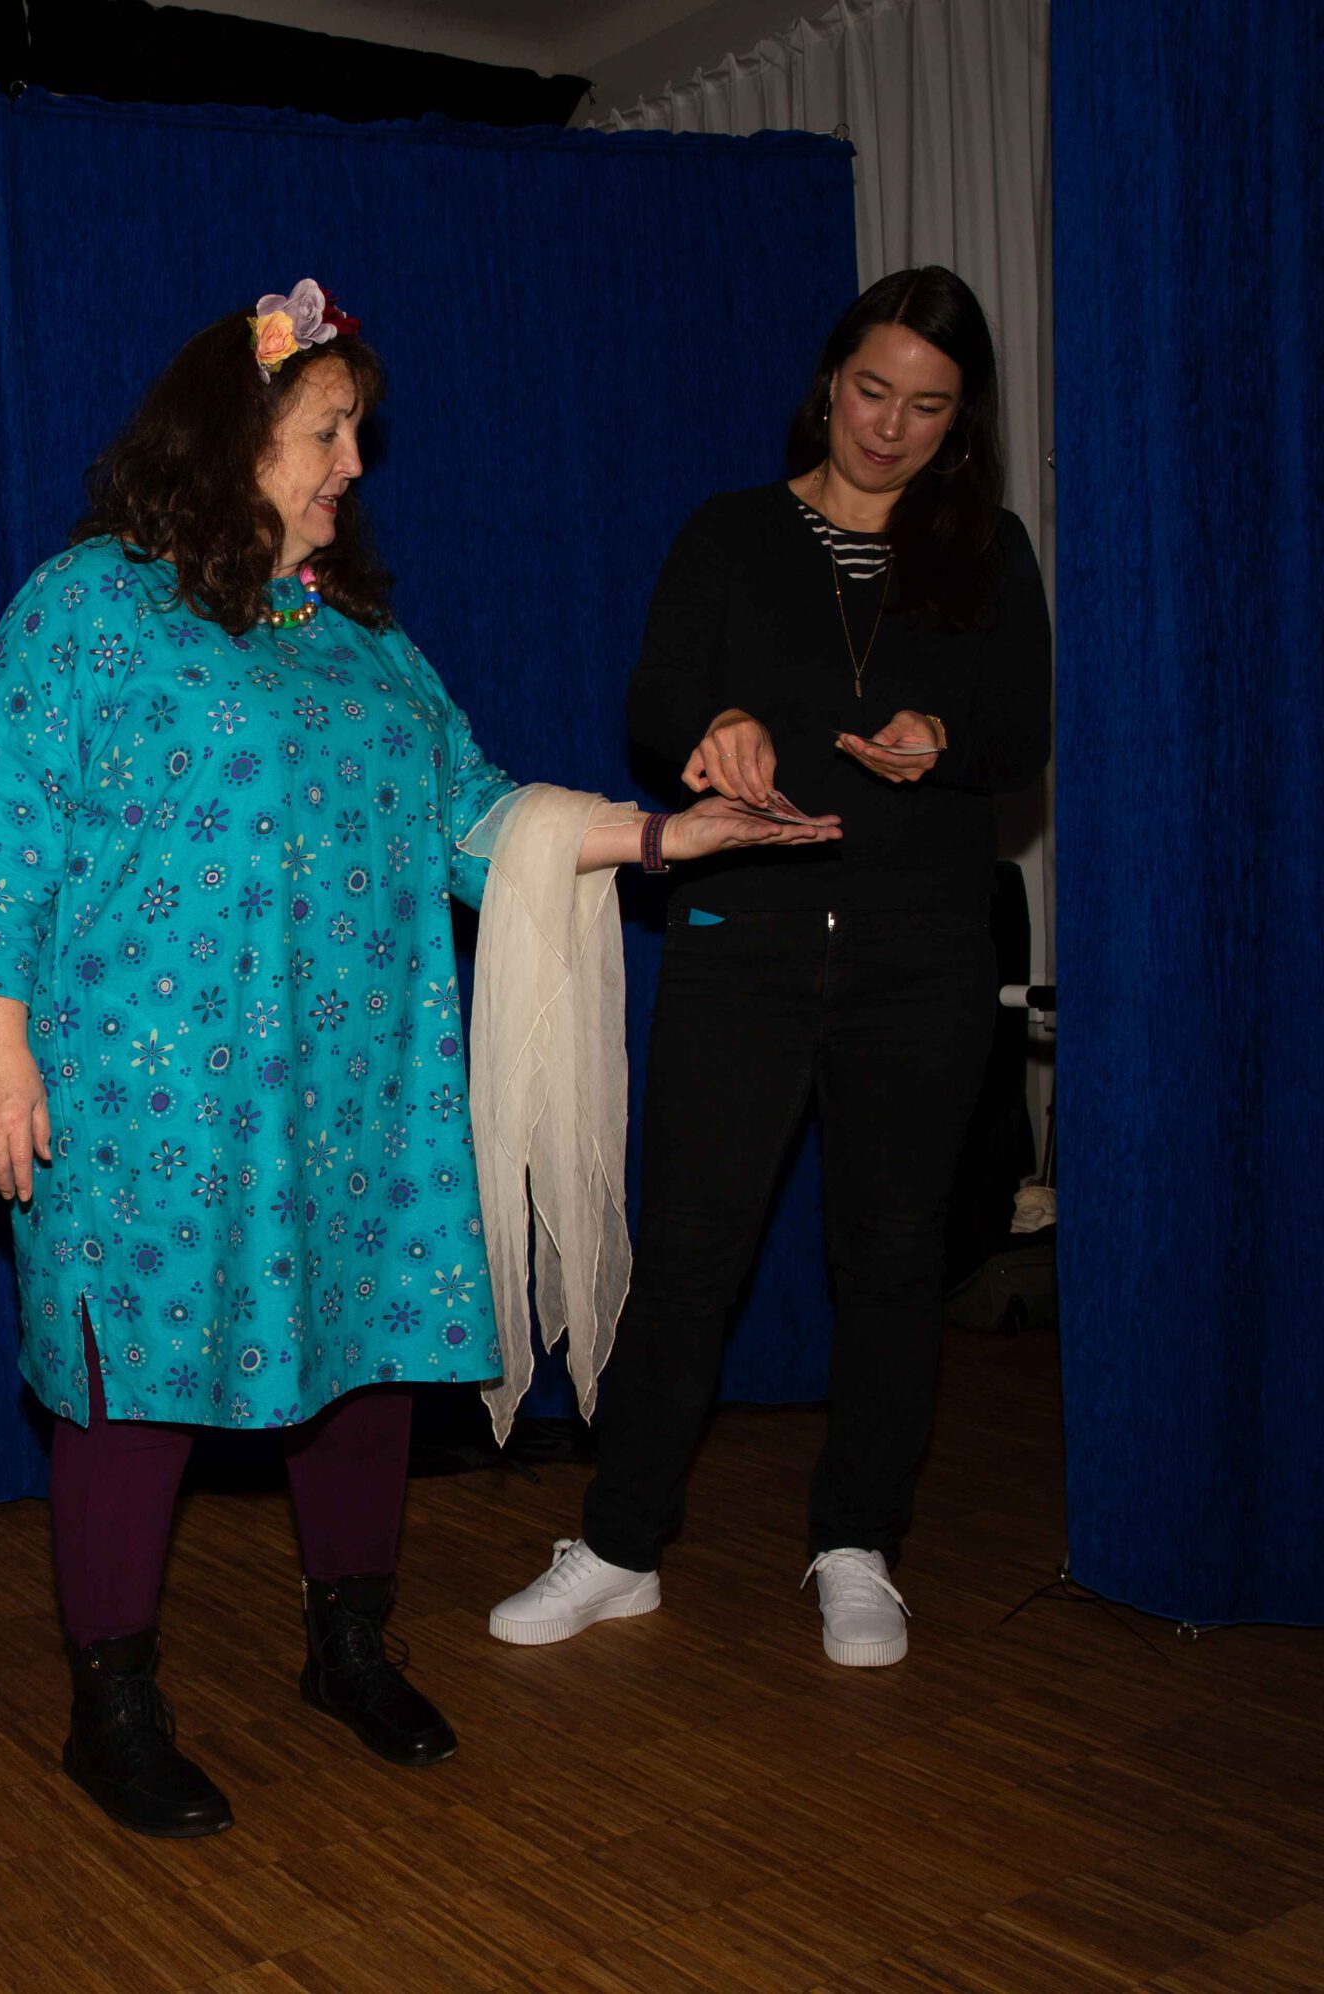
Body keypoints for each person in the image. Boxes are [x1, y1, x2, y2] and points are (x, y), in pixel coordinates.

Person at [0, 282, 835, 1836]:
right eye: (329, 431)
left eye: (356, 434)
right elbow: (3, 825)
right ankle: (111, 1704)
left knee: (369, 1357)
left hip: (357, 1088)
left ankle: (349, 1645)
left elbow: (480, 818)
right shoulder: (89, 605)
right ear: (236, 433)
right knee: (131, 1386)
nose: (354, 463)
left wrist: (670, 837)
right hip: (145, 1096)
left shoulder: (365, 645)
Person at [488, 266, 1052, 1669]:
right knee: (690, 1252)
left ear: (962, 418)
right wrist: (717, 721)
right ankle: (622, 1545)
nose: (890, 427)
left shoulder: (991, 552)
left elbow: (1020, 735)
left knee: (893, 1257)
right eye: (872, 391)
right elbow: (654, 699)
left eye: (927, 406)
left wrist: (944, 740)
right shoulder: (732, 532)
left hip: (923, 952)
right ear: (829, 382)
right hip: (744, 942)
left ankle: (857, 1545)